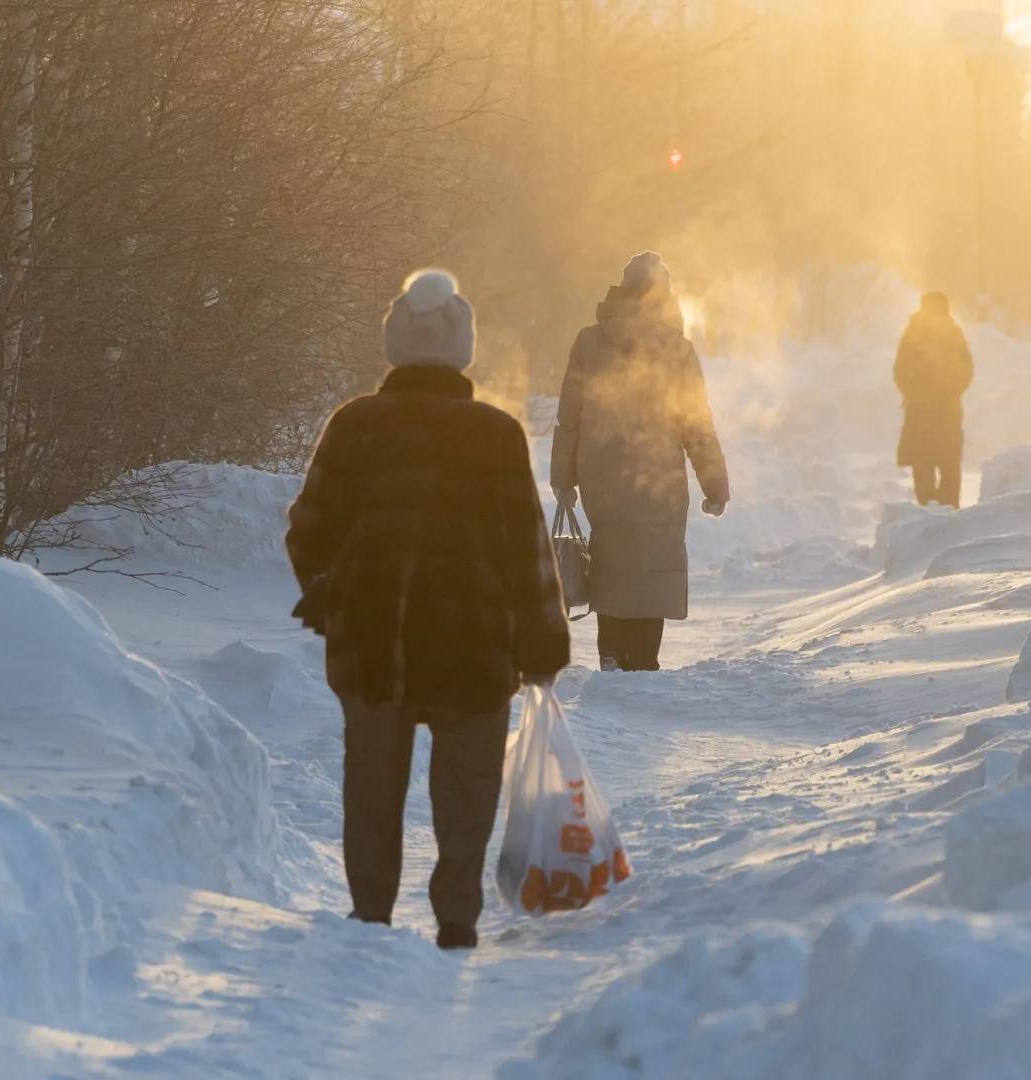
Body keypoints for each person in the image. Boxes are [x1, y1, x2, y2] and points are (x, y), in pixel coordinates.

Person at [285, 269, 569, 950]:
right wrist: (541, 638)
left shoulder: (355, 424)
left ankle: (372, 913)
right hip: (472, 642)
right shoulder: (496, 435)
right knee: (467, 788)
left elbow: (308, 527)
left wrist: (330, 589)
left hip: (372, 640)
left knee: (372, 784)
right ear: (462, 348)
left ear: (394, 345)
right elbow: (526, 549)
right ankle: (456, 918)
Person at [551, 252, 728, 673]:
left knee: (611, 554)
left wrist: (563, 479)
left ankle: (610, 650)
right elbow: (695, 423)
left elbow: (568, 417)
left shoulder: (588, 341)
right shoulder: (677, 348)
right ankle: (644, 658)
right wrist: (714, 484)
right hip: (658, 471)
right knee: (653, 560)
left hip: (602, 471)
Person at [893, 291, 974, 509]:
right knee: (925, 463)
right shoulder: (913, 334)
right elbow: (900, 370)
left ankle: (945, 510)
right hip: (924, 409)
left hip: (943, 408)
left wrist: (952, 391)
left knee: (945, 463)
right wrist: (912, 391)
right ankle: (930, 509)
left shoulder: (952, 334)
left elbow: (966, 369)